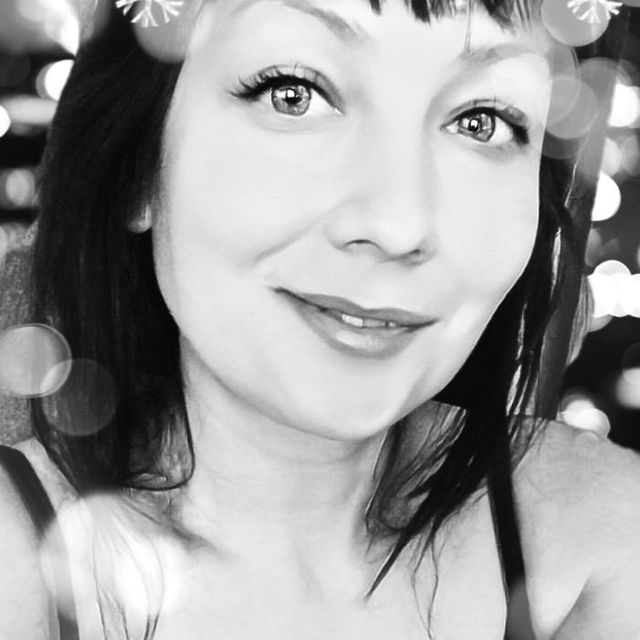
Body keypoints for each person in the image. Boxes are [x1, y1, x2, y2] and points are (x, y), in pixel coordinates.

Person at [1, 0, 639, 638]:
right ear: (138, 166)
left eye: (482, 122)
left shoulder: (600, 533)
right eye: (293, 94)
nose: (398, 226)